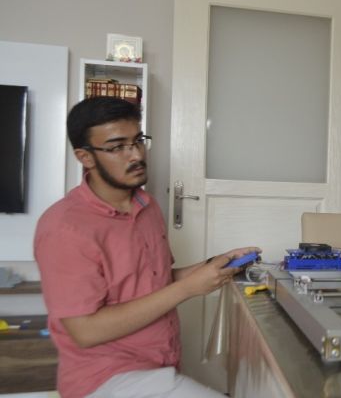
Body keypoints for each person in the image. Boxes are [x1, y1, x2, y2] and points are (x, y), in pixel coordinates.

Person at [34, 97, 259, 397]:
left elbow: (155, 281)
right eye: (118, 147)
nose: (136, 154)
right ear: (85, 157)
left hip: (158, 366)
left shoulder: (146, 205)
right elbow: (84, 331)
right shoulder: (64, 228)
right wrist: (189, 289)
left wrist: (215, 265)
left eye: (138, 141)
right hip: (104, 379)